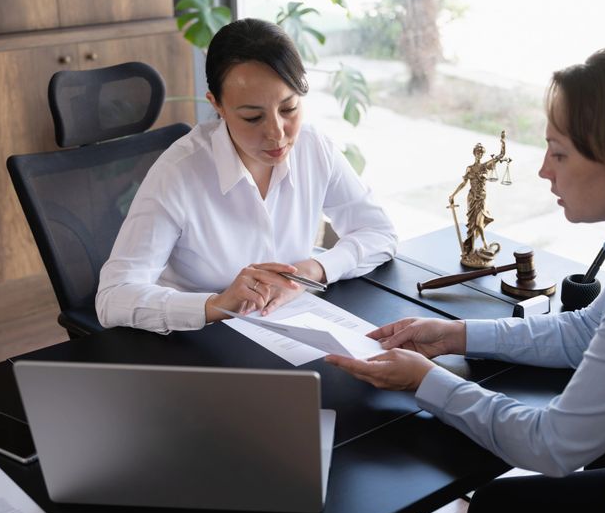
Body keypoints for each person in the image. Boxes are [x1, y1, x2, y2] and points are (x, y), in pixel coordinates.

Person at [327, 46, 605, 513]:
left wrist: (426, 380)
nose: (543, 170)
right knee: (495, 505)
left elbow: (552, 445)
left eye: (559, 153)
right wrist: (454, 335)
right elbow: (584, 333)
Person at [96, 19, 397, 333]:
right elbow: (113, 298)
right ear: (218, 106)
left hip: (288, 325)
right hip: (200, 339)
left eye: (289, 108)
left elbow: (380, 234)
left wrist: (312, 270)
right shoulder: (178, 173)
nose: (276, 134)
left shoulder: (313, 147)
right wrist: (216, 304)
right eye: (253, 117)